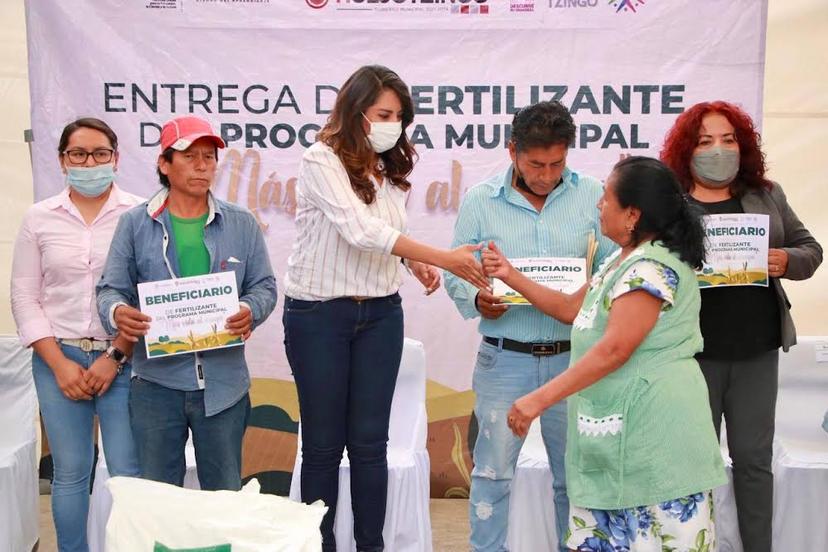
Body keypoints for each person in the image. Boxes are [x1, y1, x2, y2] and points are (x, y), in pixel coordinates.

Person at [283, 64, 488, 552]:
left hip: (380, 315)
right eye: (382, 113)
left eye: (399, 115)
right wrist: (439, 257)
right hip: (319, 317)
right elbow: (358, 230)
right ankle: (321, 546)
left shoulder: (388, 168)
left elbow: (383, 233)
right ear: (355, 111)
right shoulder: (320, 158)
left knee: (372, 445)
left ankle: (371, 546)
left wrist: (411, 263)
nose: (392, 123)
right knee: (323, 448)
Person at [483, 157, 727, 551]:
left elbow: (614, 349)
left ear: (632, 214)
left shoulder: (649, 269)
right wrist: (510, 276)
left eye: (606, 199)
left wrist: (538, 400)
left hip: (655, 441)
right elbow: (569, 309)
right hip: (622, 442)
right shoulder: (620, 259)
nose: (599, 206)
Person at [444, 100, 616, 552]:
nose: (546, 174)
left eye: (557, 163)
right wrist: (478, 298)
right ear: (512, 151)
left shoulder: (592, 195)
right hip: (504, 357)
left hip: (573, 360)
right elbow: (455, 269)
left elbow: (617, 263)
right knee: (492, 472)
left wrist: (591, 292)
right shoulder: (482, 200)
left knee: (573, 477)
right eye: (536, 164)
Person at [660, 100, 822, 551]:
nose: (719, 149)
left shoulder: (766, 194)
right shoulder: (670, 204)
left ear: (742, 145)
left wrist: (786, 259)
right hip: (691, 356)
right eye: (706, 140)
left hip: (757, 349)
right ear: (687, 149)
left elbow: (810, 249)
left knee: (754, 461)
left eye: (728, 139)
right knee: (692, 463)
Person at [96, 115, 277, 491]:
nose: (202, 166)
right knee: (160, 499)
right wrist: (118, 313)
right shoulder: (135, 223)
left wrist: (250, 310)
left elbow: (265, 286)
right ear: (164, 164)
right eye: (189, 156)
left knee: (224, 496)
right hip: (156, 385)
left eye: (209, 157)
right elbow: (110, 289)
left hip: (223, 386)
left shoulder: (241, 223)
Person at [11, 117, 142, 551]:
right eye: (79, 154)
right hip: (57, 361)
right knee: (70, 471)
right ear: (63, 161)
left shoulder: (140, 214)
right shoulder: (39, 217)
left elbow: (146, 295)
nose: (90, 162)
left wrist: (116, 356)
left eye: (100, 154)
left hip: (124, 363)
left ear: (116, 159)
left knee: (126, 471)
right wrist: (59, 364)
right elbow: (25, 299)